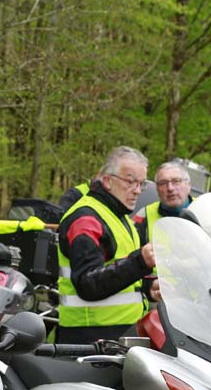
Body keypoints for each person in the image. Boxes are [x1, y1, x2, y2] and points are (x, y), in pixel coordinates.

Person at [56, 145, 155, 344]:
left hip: (117, 336)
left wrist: (147, 287)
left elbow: (117, 276)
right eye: (130, 181)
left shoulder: (120, 217)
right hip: (89, 339)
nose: (137, 191)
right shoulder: (86, 218)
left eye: (141, 184)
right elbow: (88, 283)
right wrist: (140, 261)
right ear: (108, 181)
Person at [135, 160, 193, 240]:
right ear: (157, 189)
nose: (170, 188)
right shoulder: (144, 215)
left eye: (176, 181)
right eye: (163, 183)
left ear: (188, 185)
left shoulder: (205, 209)